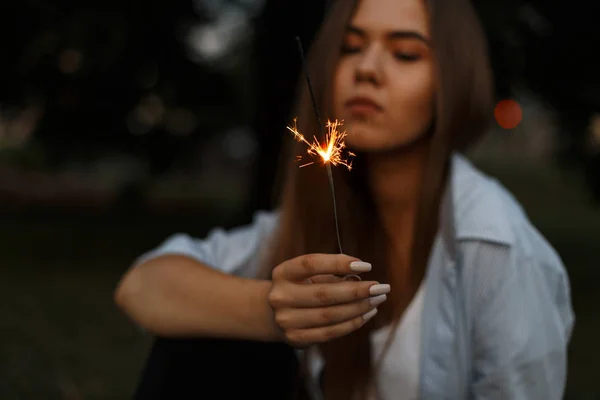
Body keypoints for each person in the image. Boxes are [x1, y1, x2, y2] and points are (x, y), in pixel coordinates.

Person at [115, 0, 574, 399]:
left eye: (405, 53)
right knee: (197, 341)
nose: (366, 69)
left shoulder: (496, 250)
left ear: (453, 81)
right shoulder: (323, 211)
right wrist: (271, 310)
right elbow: (142, 286)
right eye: (350, 47)